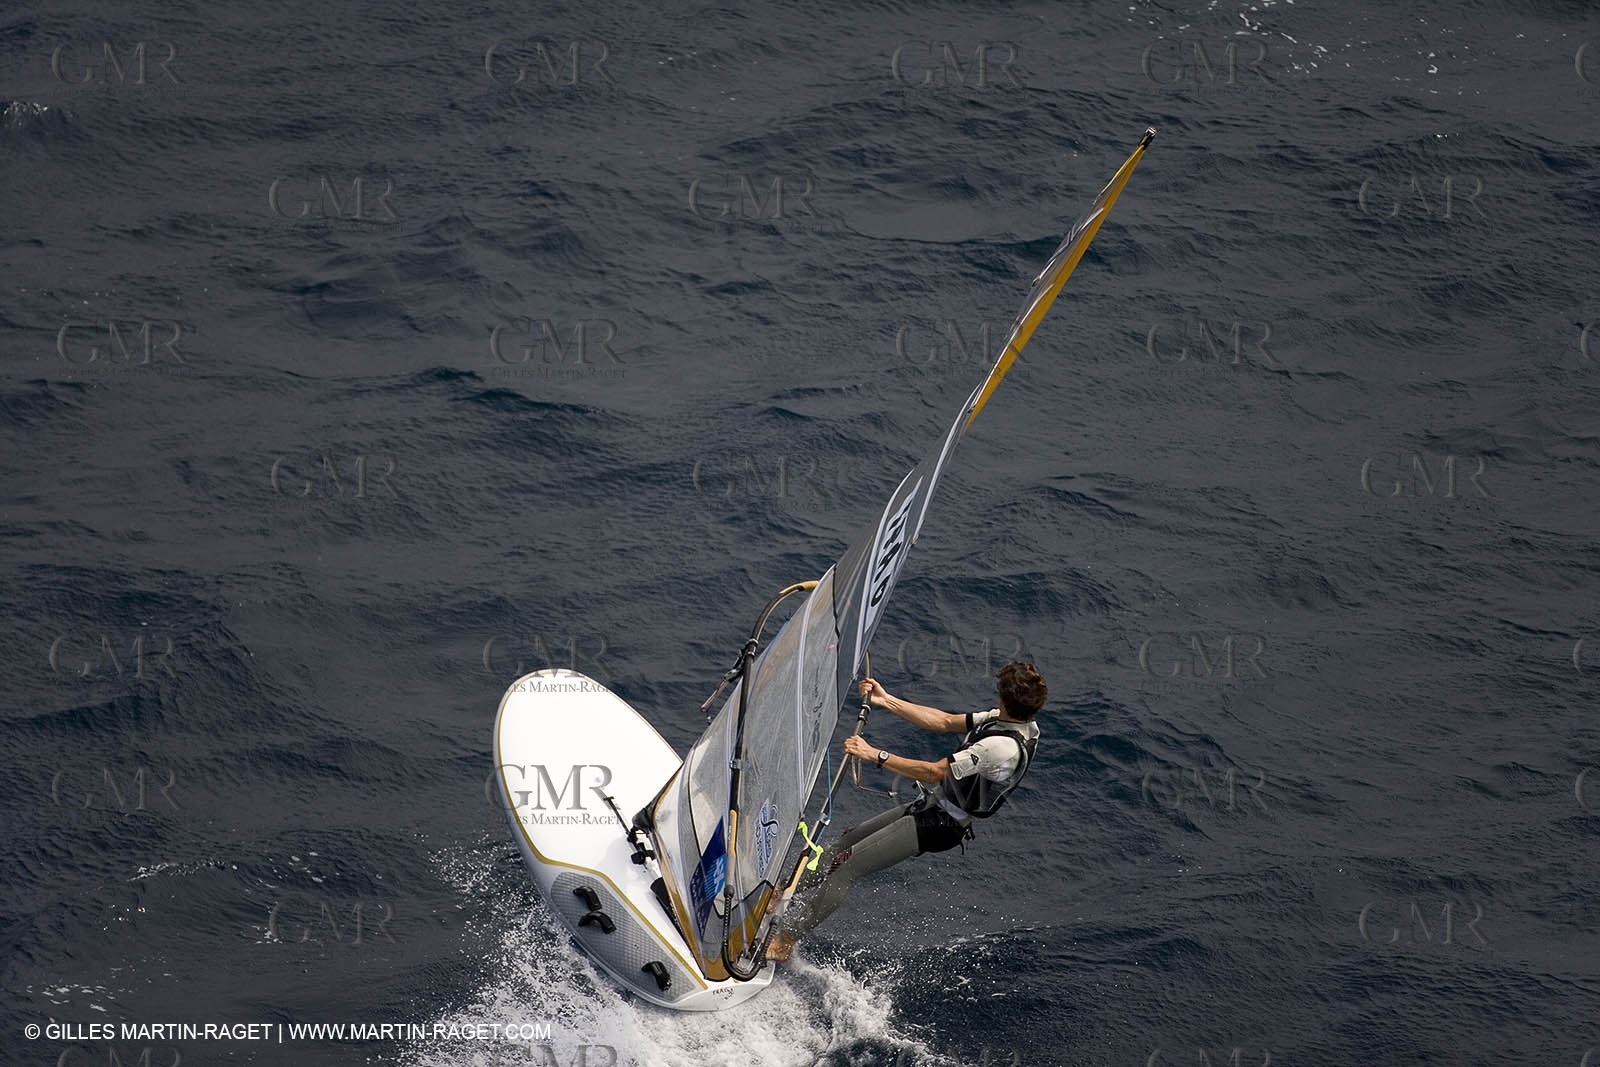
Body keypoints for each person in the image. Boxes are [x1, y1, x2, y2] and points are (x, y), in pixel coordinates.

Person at [766, 660, 1047, 960]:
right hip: (931, 805)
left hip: (942, 824)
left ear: (1004, 699)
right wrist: (886, 700)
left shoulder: (1000, 748)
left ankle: (785, 940)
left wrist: (874, 754)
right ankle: (782, 892)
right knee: (845, 843)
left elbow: (933, 772)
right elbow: (944, 721)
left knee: (848, 865)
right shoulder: (1012, 721)